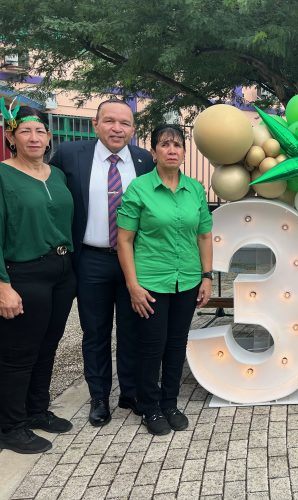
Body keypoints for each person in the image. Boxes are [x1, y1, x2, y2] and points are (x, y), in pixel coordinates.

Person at [50, 99, 153, 427]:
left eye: (124, 123)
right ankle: (99, 397)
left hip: (132, 262)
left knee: (132, 328)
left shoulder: (143, 160)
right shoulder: (70, 156)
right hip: (90, 259)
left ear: (133, 130)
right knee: (94, 332)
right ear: (96, 124)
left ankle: (131, 392)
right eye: (109, 121)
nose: (117, 128)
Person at [116, 124, 212, 435]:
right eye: (164, 144)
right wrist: (132, 285)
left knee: (175, 344)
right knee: (151, 346)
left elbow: (204, 235)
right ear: (154, 151)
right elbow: (125, 240)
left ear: (184, 152)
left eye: (177, 145)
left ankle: (170, 403)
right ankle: (149, 406)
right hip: (150, 282)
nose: (172, 149)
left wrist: (207, 276)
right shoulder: (139, 189)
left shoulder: (195, 189)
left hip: (186, 281)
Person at [0, 104, 77, 454]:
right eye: (26, 131)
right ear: (10, 136)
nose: (34, 138)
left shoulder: (56, 175)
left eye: (40, 132)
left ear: (48, 138)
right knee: (18, 353)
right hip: (23, 273)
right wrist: (2, 285)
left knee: (48, 346)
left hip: (60, 271)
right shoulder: (3, 176)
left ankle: (36, 411)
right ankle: (11, 426)